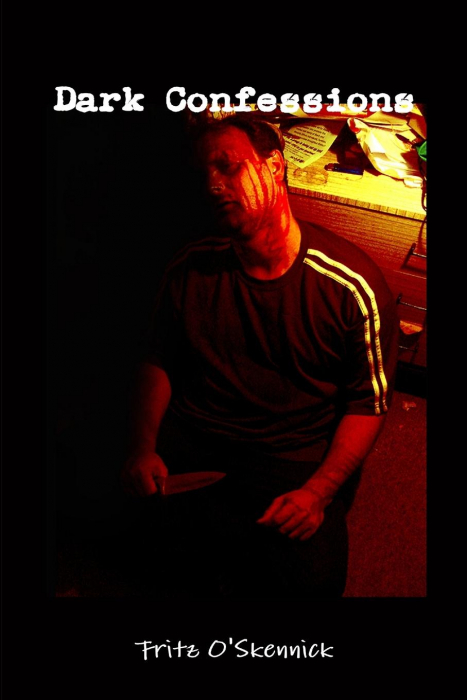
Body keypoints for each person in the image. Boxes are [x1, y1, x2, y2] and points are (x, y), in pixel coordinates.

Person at [121, 115, 399, 599]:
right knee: (151, 563)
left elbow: (367, 402)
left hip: (291, 454)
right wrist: (142, 447)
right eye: (203, 173)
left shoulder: (349, 287)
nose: (212, 185)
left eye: (228, 167)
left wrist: (319, 492)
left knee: (310, 589)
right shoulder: (190, 266)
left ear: (274, 167)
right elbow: (158, 357)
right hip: (200, 439)